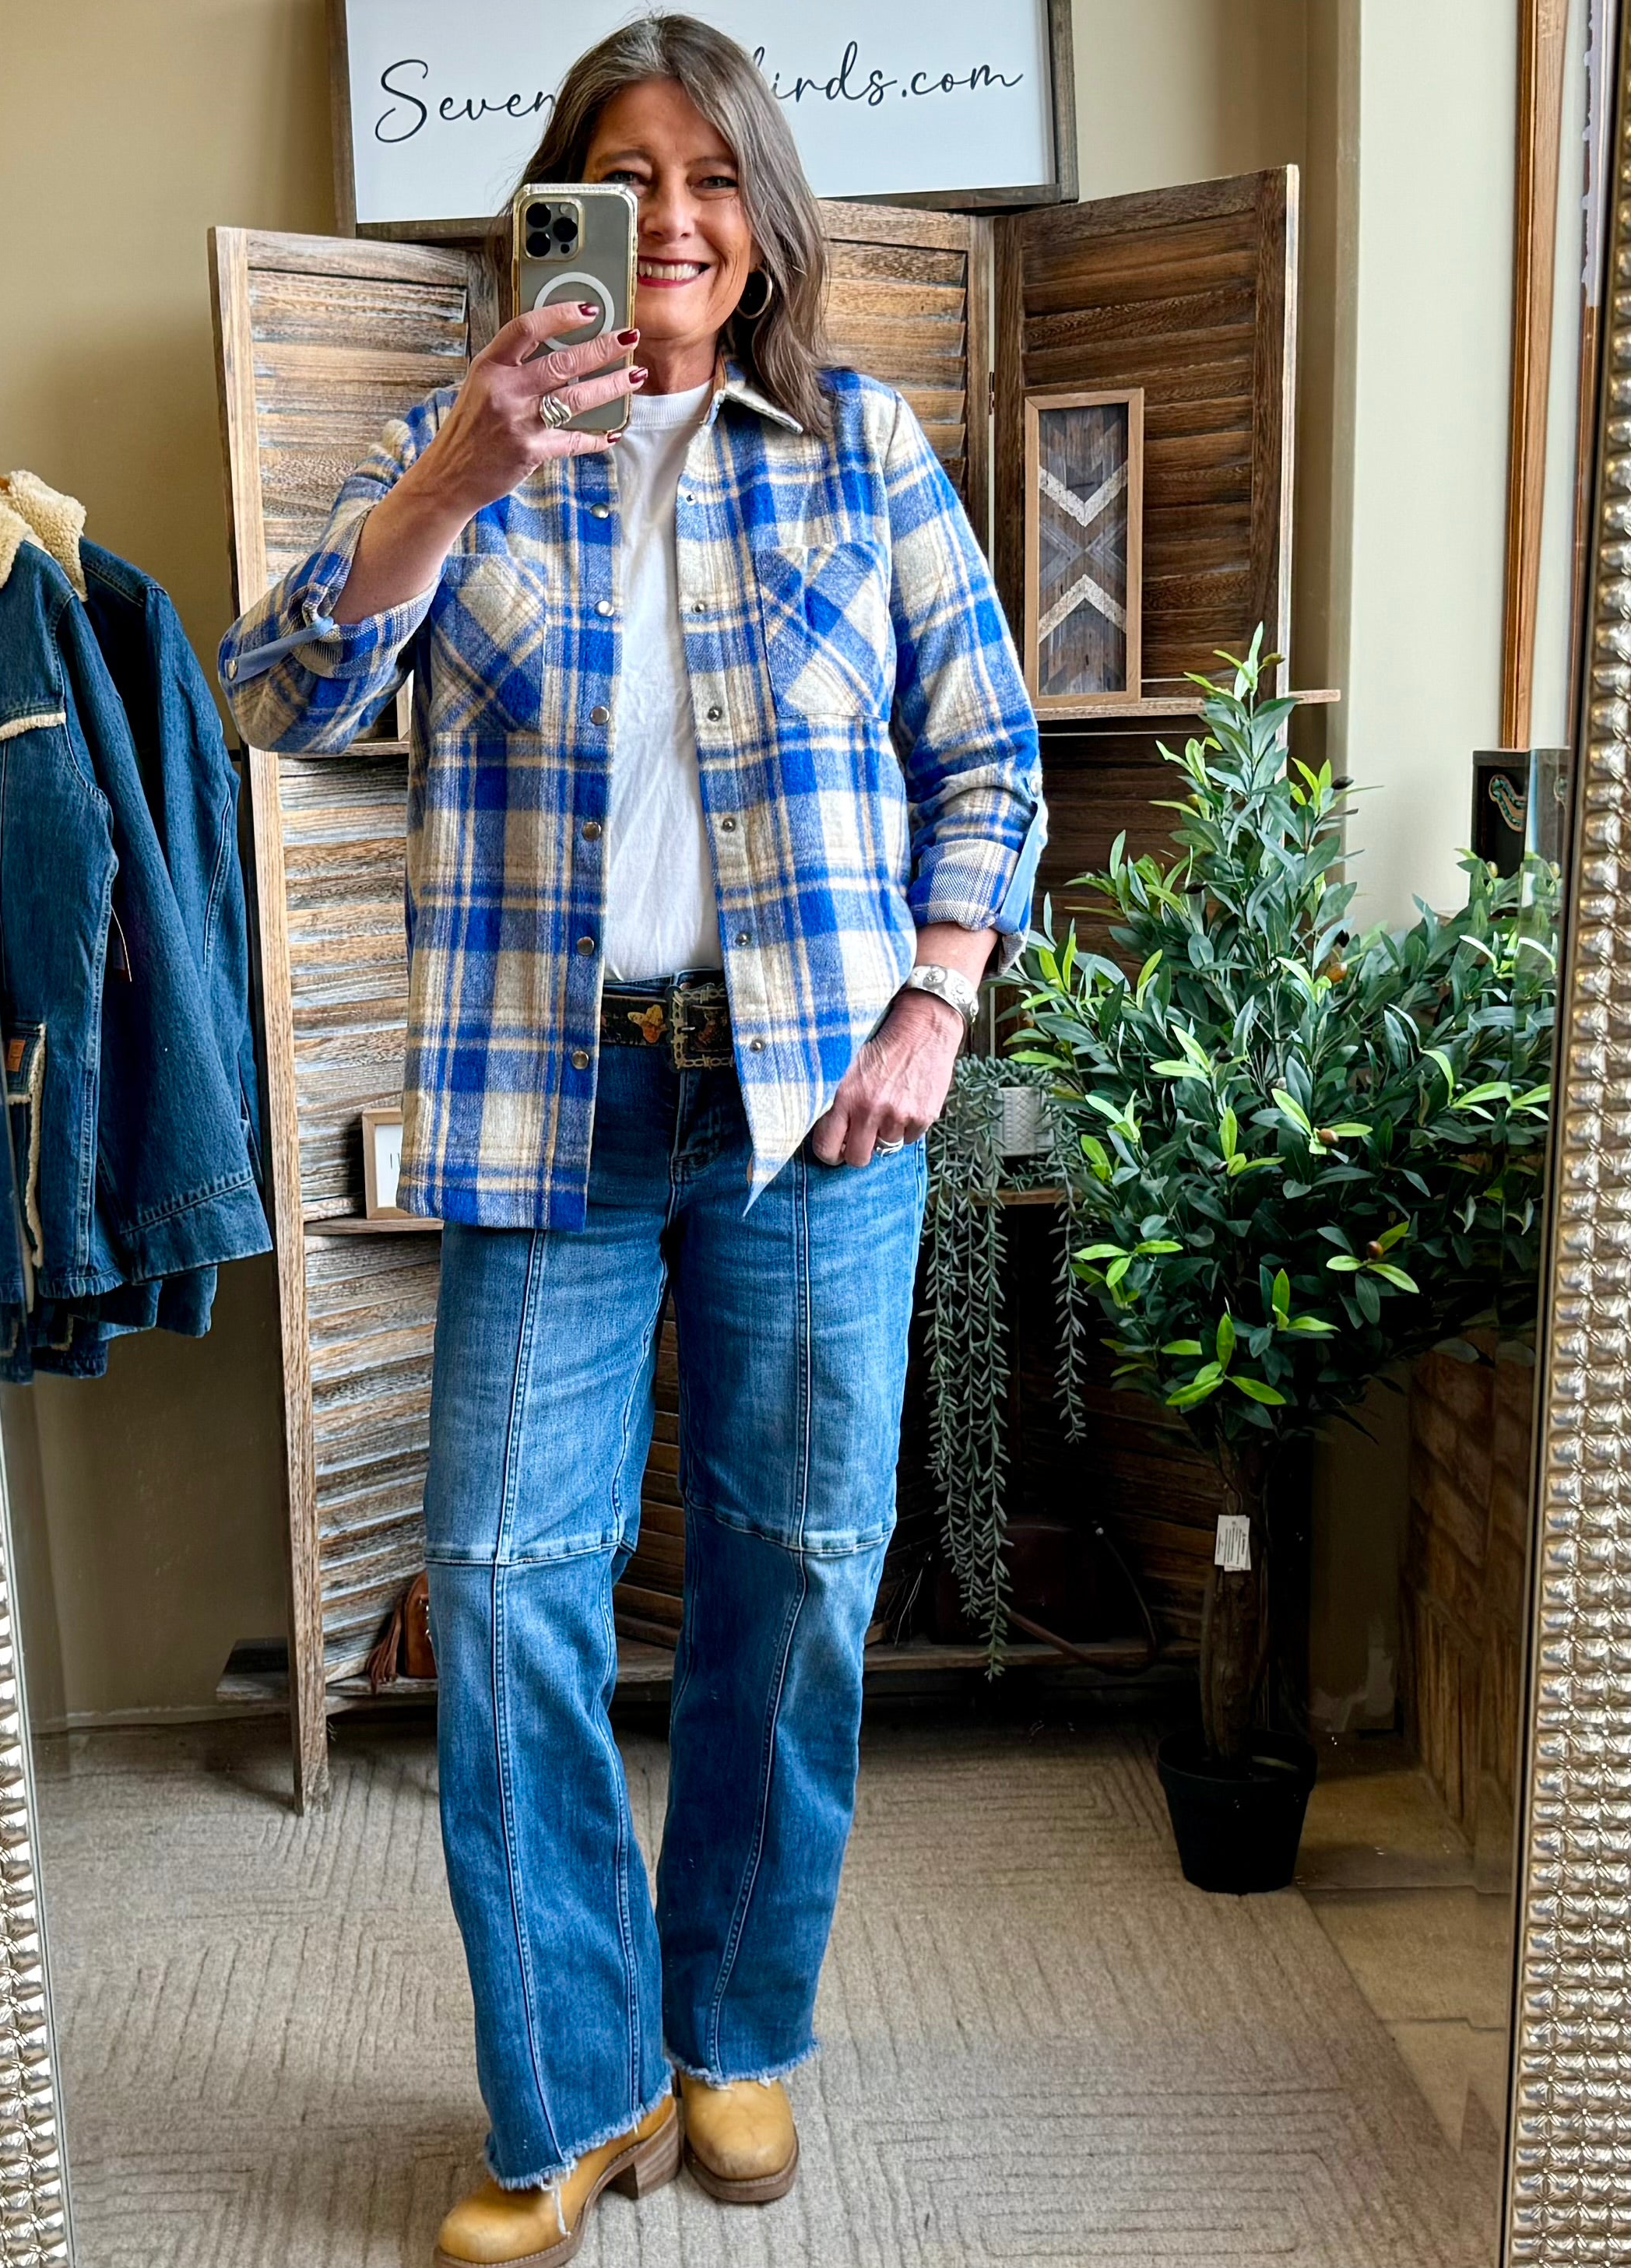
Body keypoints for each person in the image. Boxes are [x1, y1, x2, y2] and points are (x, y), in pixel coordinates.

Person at [220, 15, 1043, 2263]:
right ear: (552, 210)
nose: (668, 217)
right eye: (622, 173)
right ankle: (575, 2090)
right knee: (503, 1587)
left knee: (795, 1568)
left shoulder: (862, 449)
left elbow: (988, 757)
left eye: (707, 174)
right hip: (548, 1102)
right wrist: (448, 481)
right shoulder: (458, 444)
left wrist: (932, 1003)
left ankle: (735, 2033)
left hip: (814, 1107)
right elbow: (278, 692)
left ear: (762, 212)